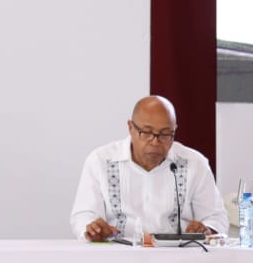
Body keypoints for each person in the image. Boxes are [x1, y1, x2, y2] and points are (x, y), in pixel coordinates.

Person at [71, 95, 226, 241]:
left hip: (178, 254)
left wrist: (206, 229)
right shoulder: (100, 161)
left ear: (174, 130)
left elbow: (216, 218)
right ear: (130, 127)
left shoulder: (195, 163)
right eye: (146, 132)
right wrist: (94, 230)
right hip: (117, 252)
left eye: (165, 134)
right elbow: (83, 215)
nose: (155, 142)